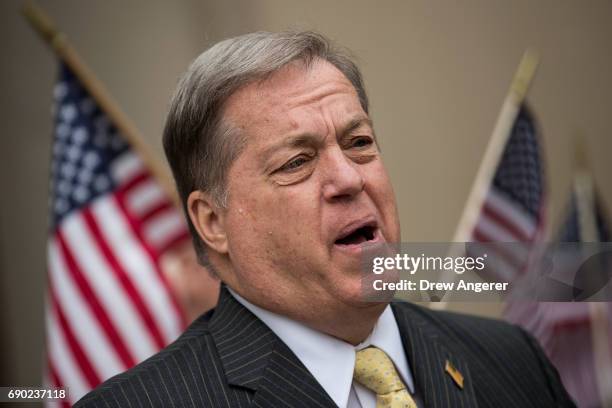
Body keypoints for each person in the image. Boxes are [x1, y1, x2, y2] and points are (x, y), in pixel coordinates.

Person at [75, 31, 574, 408]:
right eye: (297, 162)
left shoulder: (514, 360)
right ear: (213, 222)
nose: (349, 179)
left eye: (359, 143)